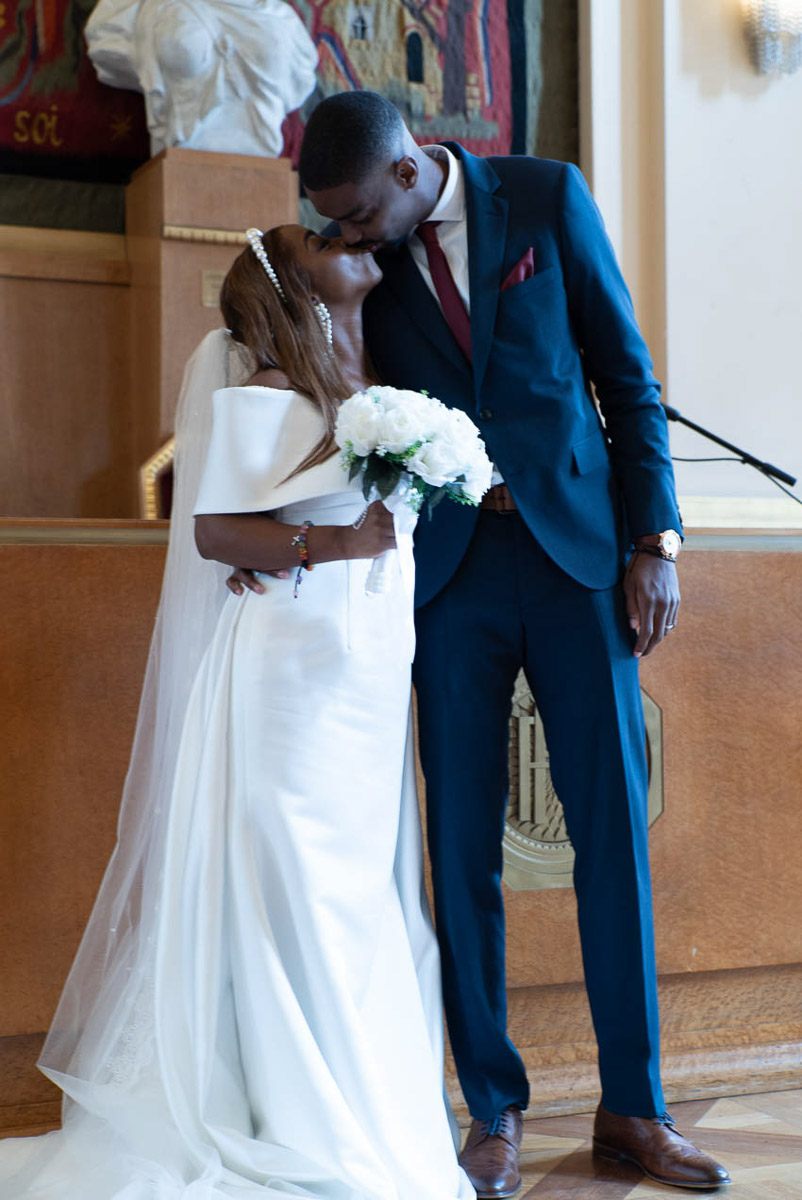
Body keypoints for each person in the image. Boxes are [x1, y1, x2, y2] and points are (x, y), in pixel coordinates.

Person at [229, 91, 731, 1197]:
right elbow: (343, 400)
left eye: (356, 215)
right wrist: (341, 299)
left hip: (579, 566)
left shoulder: (548, 197)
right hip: (444, 578)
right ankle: (490, 1108)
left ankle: (634, 1110)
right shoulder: (364, 264)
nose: (345, 239)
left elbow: (625, 376)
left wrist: (656, 540)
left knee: (610, 839)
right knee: (458, 850)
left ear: (409, 173)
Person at [0, 225, 475, 1200]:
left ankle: (349, 1089)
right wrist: (343, 552)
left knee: (357, 883)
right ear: (297, 292)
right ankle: (301, 1109)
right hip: (292, 679)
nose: (350, 244)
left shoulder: (352, 396)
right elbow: (217, 530)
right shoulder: (265, 396)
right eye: (323, 244)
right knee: (300, 882)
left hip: (359, 679)